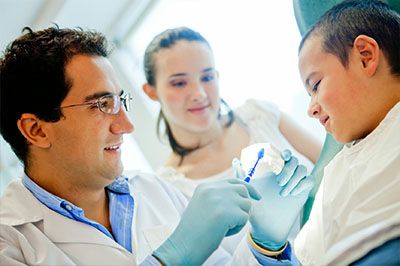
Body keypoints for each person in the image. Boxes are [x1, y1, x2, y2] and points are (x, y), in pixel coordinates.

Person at [0, 26, 314, 266]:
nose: (126, 125)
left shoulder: (153, 190)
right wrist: (170, 258)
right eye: (100, 105)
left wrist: (265, 245)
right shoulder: (10, 243)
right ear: (36, 130)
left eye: (119, 101)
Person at [235, 0, 400, 265]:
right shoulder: (335, 171)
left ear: (365, 56)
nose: (311, 109)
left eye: (316, 85)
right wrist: (267, 247)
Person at [142, 27, 321, 254]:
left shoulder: (260, 115)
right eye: (179, 83)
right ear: (151, 92)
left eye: (206, 77)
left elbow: (335, 162)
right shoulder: (168, 190)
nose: (198, 93)